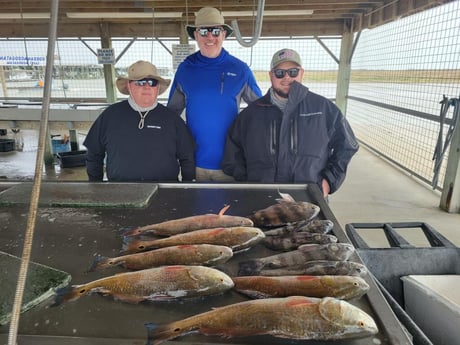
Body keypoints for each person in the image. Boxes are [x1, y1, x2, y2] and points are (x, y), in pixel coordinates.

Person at [222, 48, 359, 197]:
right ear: (271, 75)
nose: (286, 77)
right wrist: (249, 181)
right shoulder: (251, 114)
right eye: (280, 72)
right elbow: (232, 153)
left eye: (293, 72)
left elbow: (347, 146)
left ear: (302, 73)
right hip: (262, 198)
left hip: (308, 198)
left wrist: (329, 180)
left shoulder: (324, 109)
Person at [168, 7, 262, 182]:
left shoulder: (240, 69)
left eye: (215, 31)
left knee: (227, 209)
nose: (210, 37)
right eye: (204, 31)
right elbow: (171, 114)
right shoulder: (185, 69)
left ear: (224, 34)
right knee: (196, 209)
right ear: (195, 35)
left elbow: (261, 110)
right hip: (194, 164)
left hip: (230, 164)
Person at [83, 60, 195, 182]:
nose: (147, 87)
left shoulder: (172, 119)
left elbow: (187, 157)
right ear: (129, 86)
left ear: (157, 88)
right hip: (119, 192)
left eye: (152, 82)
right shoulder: (110, 115)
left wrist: (186, 188)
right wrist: (96, 186)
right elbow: (94, 154)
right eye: (140, 82)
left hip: (164, 193)